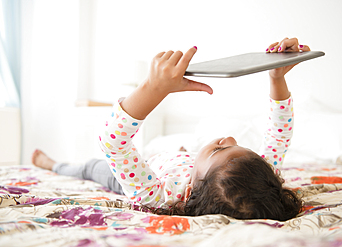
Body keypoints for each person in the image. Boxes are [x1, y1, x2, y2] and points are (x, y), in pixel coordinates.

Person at [33, 37, 310, 221]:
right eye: (237, 146)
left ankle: (54, 164)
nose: (228, 137)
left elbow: (113, 144)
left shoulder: (156, 197)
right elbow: (278, 133)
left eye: (219, 148)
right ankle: (184, 155)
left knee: (89, 168)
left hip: (144, 171)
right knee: (186, 151)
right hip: (177, 157)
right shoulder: (260, 177)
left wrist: (152, 89)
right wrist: (277, 77)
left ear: (189, 192)